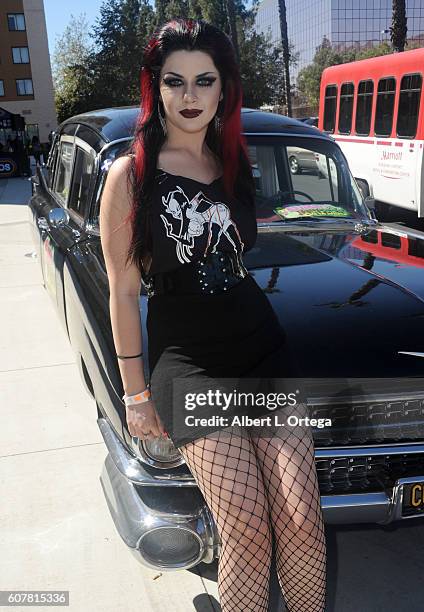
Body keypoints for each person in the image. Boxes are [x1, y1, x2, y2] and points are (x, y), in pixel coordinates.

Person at [99, 18, 327, 612]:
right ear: (157, 88)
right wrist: (135, 394)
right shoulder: (131, 176)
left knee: (302, 520)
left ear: (224, 89)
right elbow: (123, 290)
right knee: (246, 530)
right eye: (176, 82)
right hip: (192, 363)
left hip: (262, 348)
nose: (192, 96)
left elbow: (241, 251)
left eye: (206, 81)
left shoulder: (232, 164)